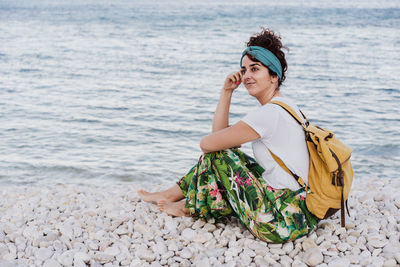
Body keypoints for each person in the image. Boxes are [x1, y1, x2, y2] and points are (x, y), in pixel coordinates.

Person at [138, 28, 319, 243]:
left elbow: (209, 143)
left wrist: (224, 96)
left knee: (218, 155)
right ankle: (173, 195)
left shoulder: (269, 114)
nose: (247, 76)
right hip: (301, 214)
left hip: (279, 224)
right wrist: (227, 92)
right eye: (244, 70)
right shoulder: (287, 106)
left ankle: (190, 205)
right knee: (229, 156)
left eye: (255, 69)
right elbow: (219, 138)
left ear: (273, 75)